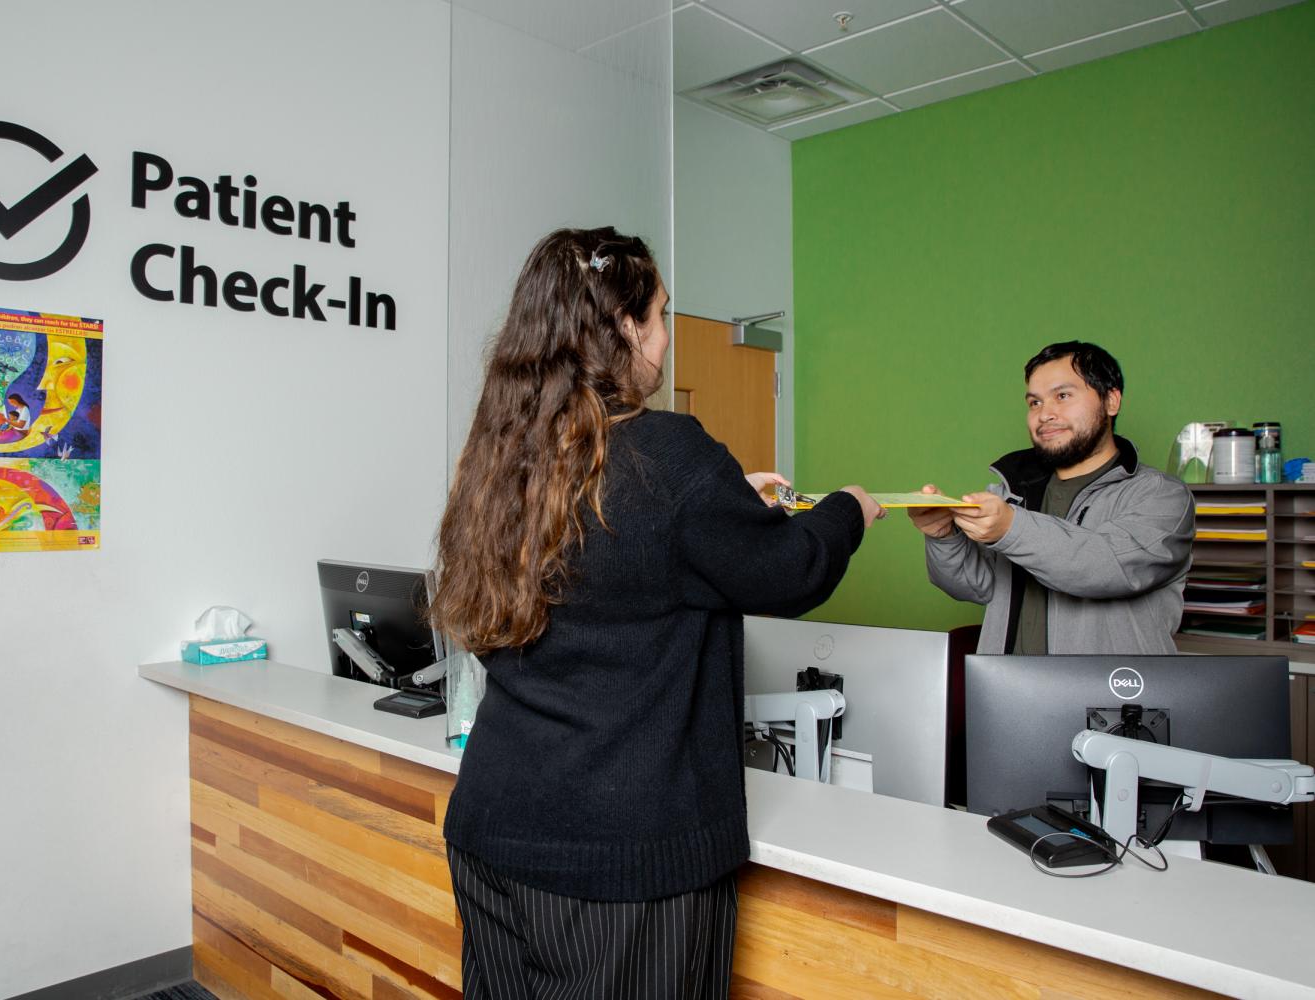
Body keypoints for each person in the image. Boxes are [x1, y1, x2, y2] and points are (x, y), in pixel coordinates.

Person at [430, 227, 882, 999]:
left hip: (491, 828)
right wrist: (847, 510)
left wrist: (732, 499)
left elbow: (630, 549)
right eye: (663, 316)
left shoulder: (505, 455)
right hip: (619, 862)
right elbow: (789, 571)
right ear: (624, 327)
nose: (667, 340)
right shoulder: (668, 453)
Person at [909, 341, 1194, 654]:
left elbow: (1105, 568)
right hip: (1010, 692)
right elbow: (975, 585)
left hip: (1108, 699)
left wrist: (1010, 528)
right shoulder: (1014, 492)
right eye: (1034, 403)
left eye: (1062, 396)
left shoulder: (1161, 496)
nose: (1045, 414)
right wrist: (944, 536)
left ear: (1111, 401)